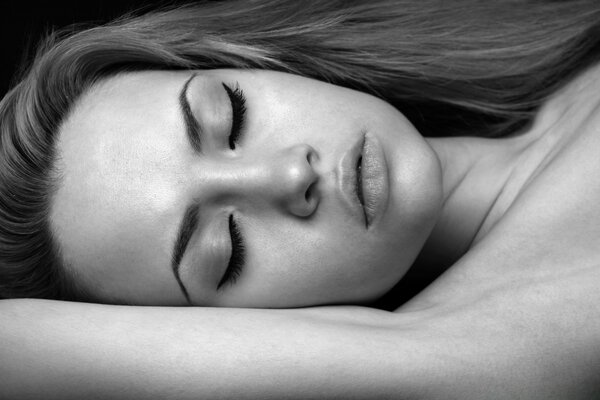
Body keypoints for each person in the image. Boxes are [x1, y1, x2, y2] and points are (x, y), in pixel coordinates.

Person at [1, 0, 599, 398]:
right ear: (245, 340)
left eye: (229, 114)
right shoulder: (485, 350)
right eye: (225, 249)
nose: (287, 176)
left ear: (264, 63)